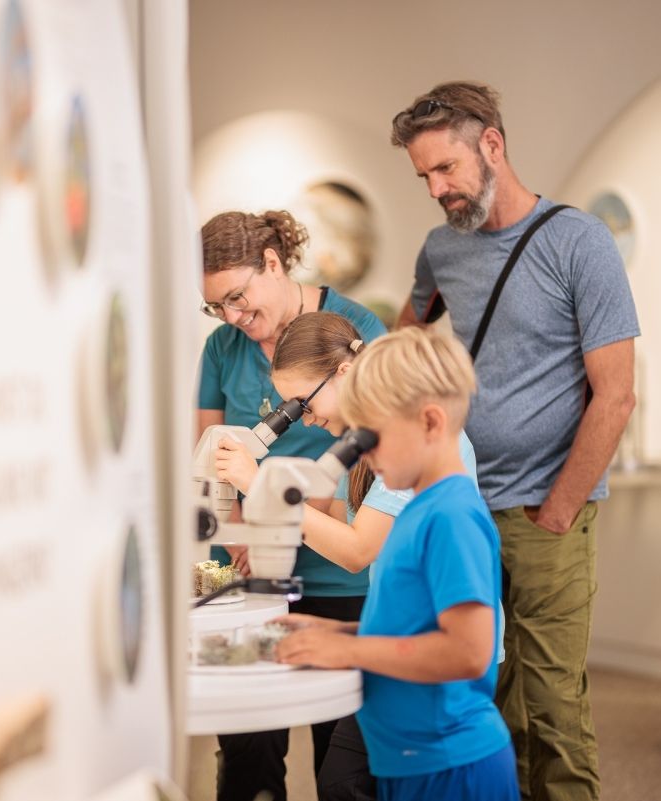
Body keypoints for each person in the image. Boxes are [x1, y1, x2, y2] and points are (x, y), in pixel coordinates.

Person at [389, 81, 640, 801]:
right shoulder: (442, 250)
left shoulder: (578, 241)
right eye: (424, 177)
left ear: (492, 145)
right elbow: (404, 341)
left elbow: (616, 393)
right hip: (465, 507)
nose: (436, 189)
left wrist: (559, 508)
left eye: (446, 169)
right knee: (480, 700)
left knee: (554, 707)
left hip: (546, 511)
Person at [213, 311, 485, 801]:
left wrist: (262, 486)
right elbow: (334, 524)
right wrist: (331, 631)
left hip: (438, 698)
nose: (304, 417)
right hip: (398, 649)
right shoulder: (371, 451)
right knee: (341, 783)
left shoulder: (443, 500)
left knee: (352, 782)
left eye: (303, 402)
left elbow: (358, 549)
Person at [274, 326, 518, 801]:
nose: (360, 454)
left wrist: (350, 651)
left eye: (371, 437)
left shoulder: (452, 516)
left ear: (430, 422)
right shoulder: (420, 508)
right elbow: (411, 630)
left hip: (450, 765)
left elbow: (469, 652)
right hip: (410, 756)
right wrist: (334, 635)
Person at [197, 211, 386, 801]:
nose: (231, 316)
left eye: (237, 296)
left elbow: (371, 464)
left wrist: (272, 502)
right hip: (248, 578)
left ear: (273, 264)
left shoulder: (355, 331)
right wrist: (236, 532)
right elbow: (208, 459)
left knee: (342, 763)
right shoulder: (222, 348)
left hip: (337, 575)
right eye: (216, 306)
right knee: (248, 754)